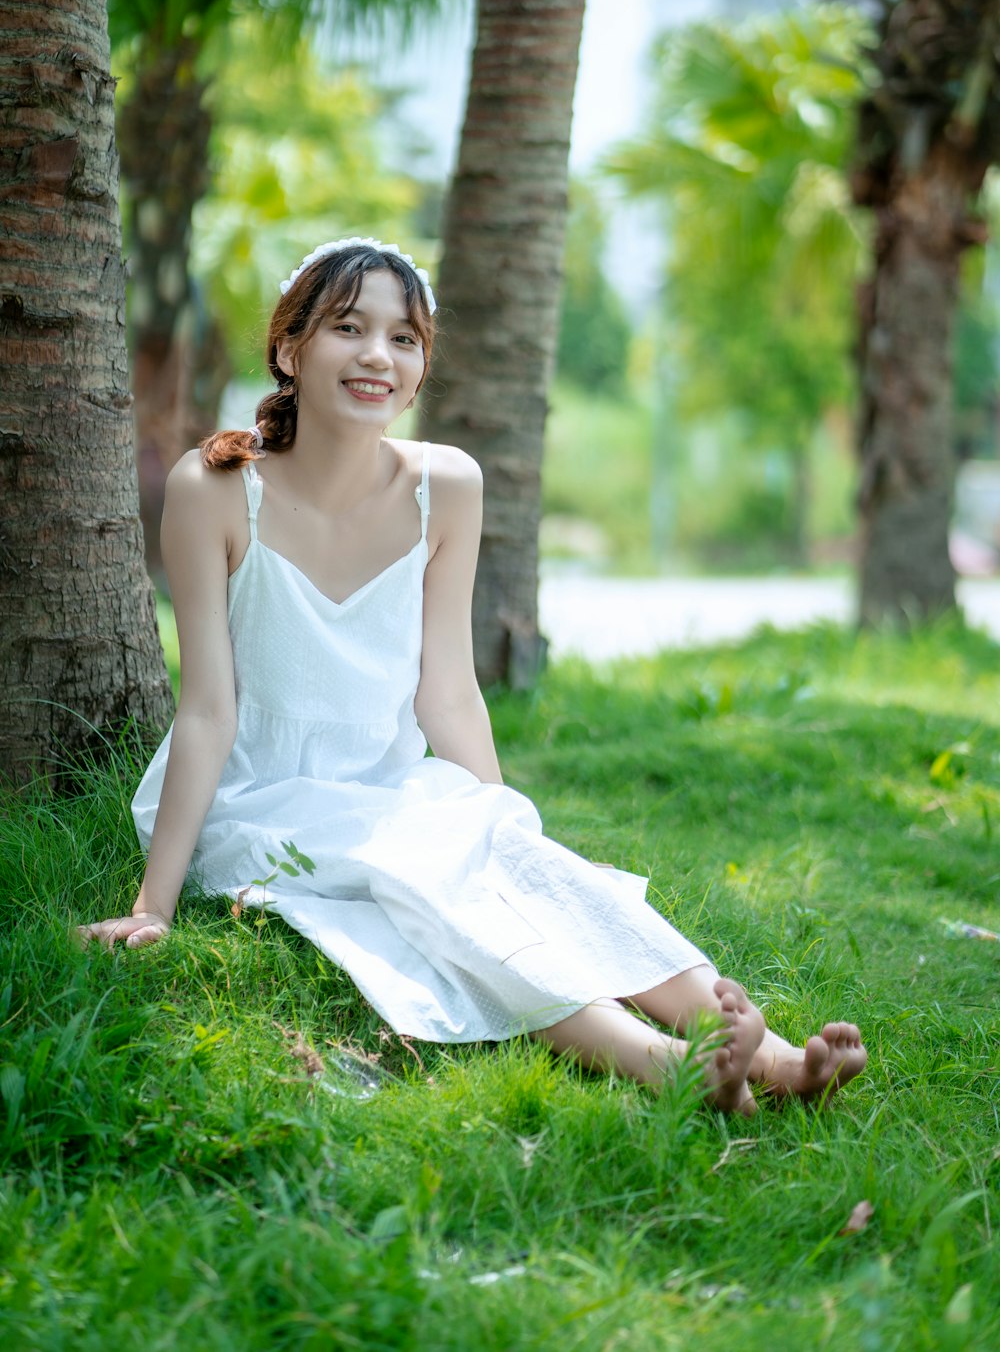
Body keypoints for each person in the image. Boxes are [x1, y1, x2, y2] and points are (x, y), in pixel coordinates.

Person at [80, 238, 867, 1115]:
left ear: (420, 369)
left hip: (393, 790)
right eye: (349, 328)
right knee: (443, 909)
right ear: (289, 348)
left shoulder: (445, 485)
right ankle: (665, 1061)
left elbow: (447, 690)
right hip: (264, 799)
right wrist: (154, 903)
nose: (379, 355)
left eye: (404, 338)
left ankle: (779, 1056)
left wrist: (499, 834)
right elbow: (207, 713)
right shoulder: (217, 488)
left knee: (528, 878)